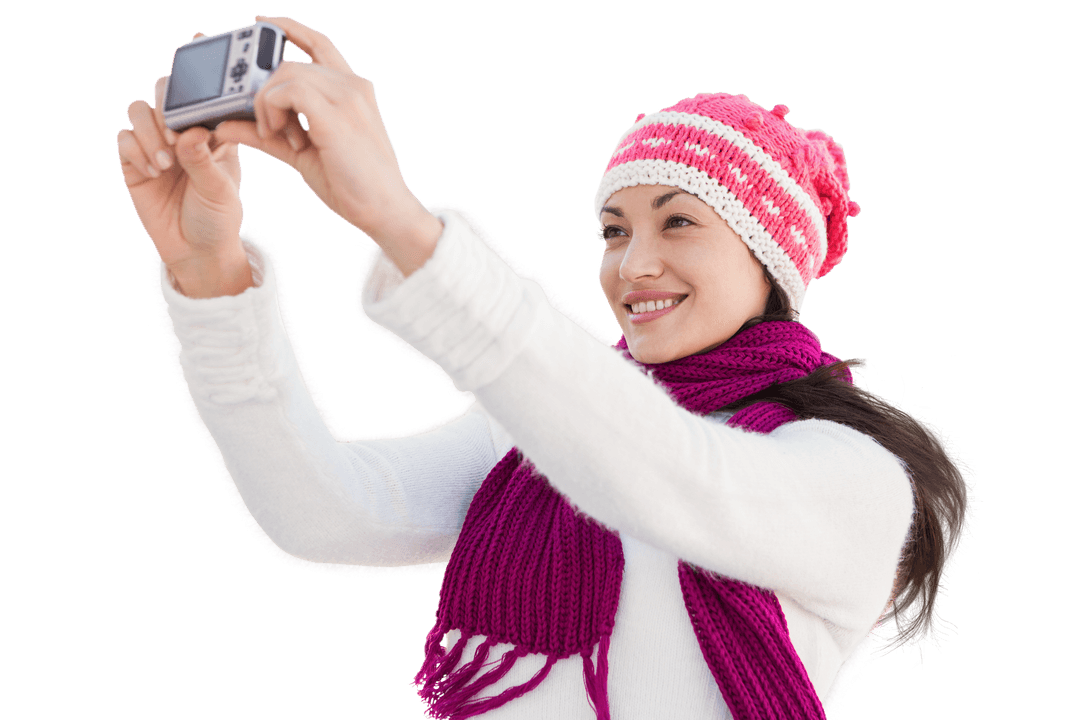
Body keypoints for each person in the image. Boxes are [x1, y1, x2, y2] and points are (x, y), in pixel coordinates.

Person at [116, 15, 977, 720]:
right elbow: (325, 514)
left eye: (678, 222)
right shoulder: (546, 432)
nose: (633, 264)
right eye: (614, 230)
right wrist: (209, 274)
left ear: (769, 263)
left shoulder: (853, 475)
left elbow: (667, 476)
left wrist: (401, 222)